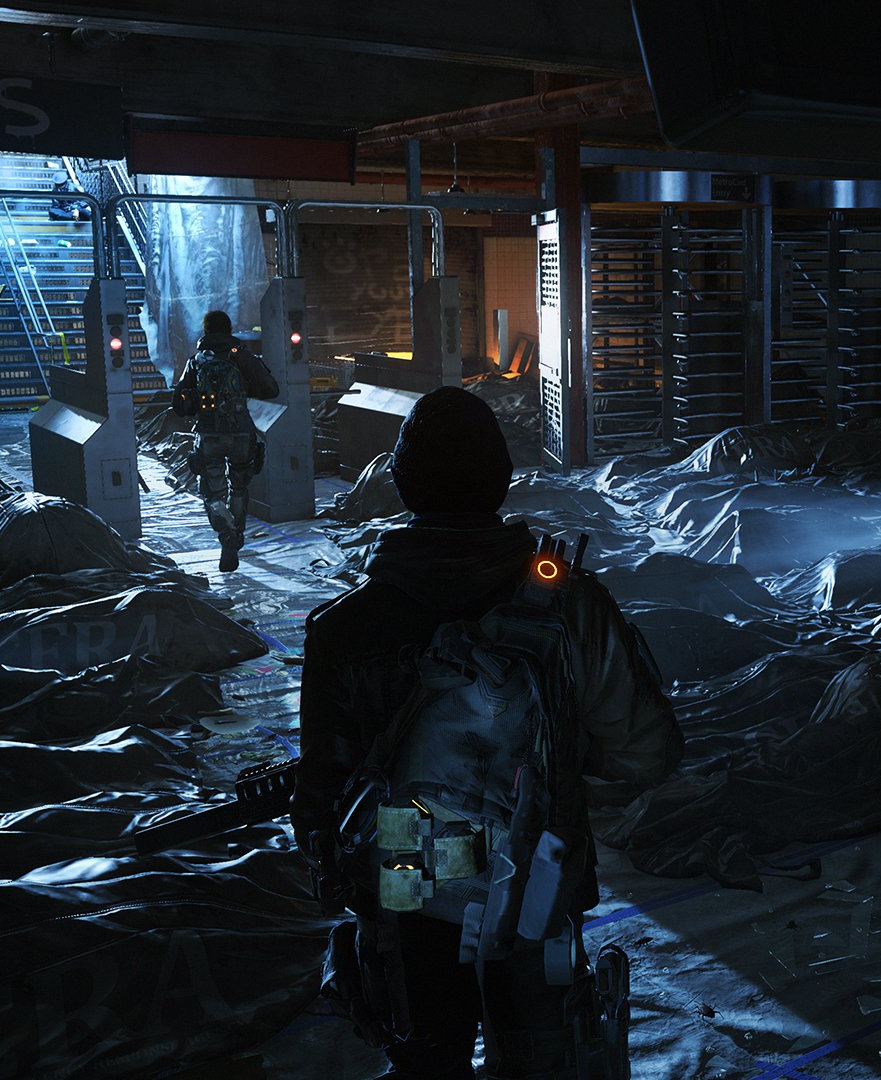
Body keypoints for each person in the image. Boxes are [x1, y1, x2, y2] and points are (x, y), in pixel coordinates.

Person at [291, 387, 682, 1079]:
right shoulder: (571, 607)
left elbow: (323, 801)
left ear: (401, 483)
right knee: (544, 1055)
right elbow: (647, 752)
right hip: (538, 866)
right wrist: (557, 751)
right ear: (502, 480)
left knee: (426, 1054)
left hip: (407, 866)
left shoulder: (345, 627)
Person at [171, 310, 279, 572]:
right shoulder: (241, 356)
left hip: (209, 435)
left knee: (212, 493)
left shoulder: (197, 361)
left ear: (206, 331)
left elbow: (179, 404)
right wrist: (244, 390)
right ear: (229, 330)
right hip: (241, 432)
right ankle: (236, 535)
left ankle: (227, 535)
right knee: (239, 488)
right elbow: (271, 389)